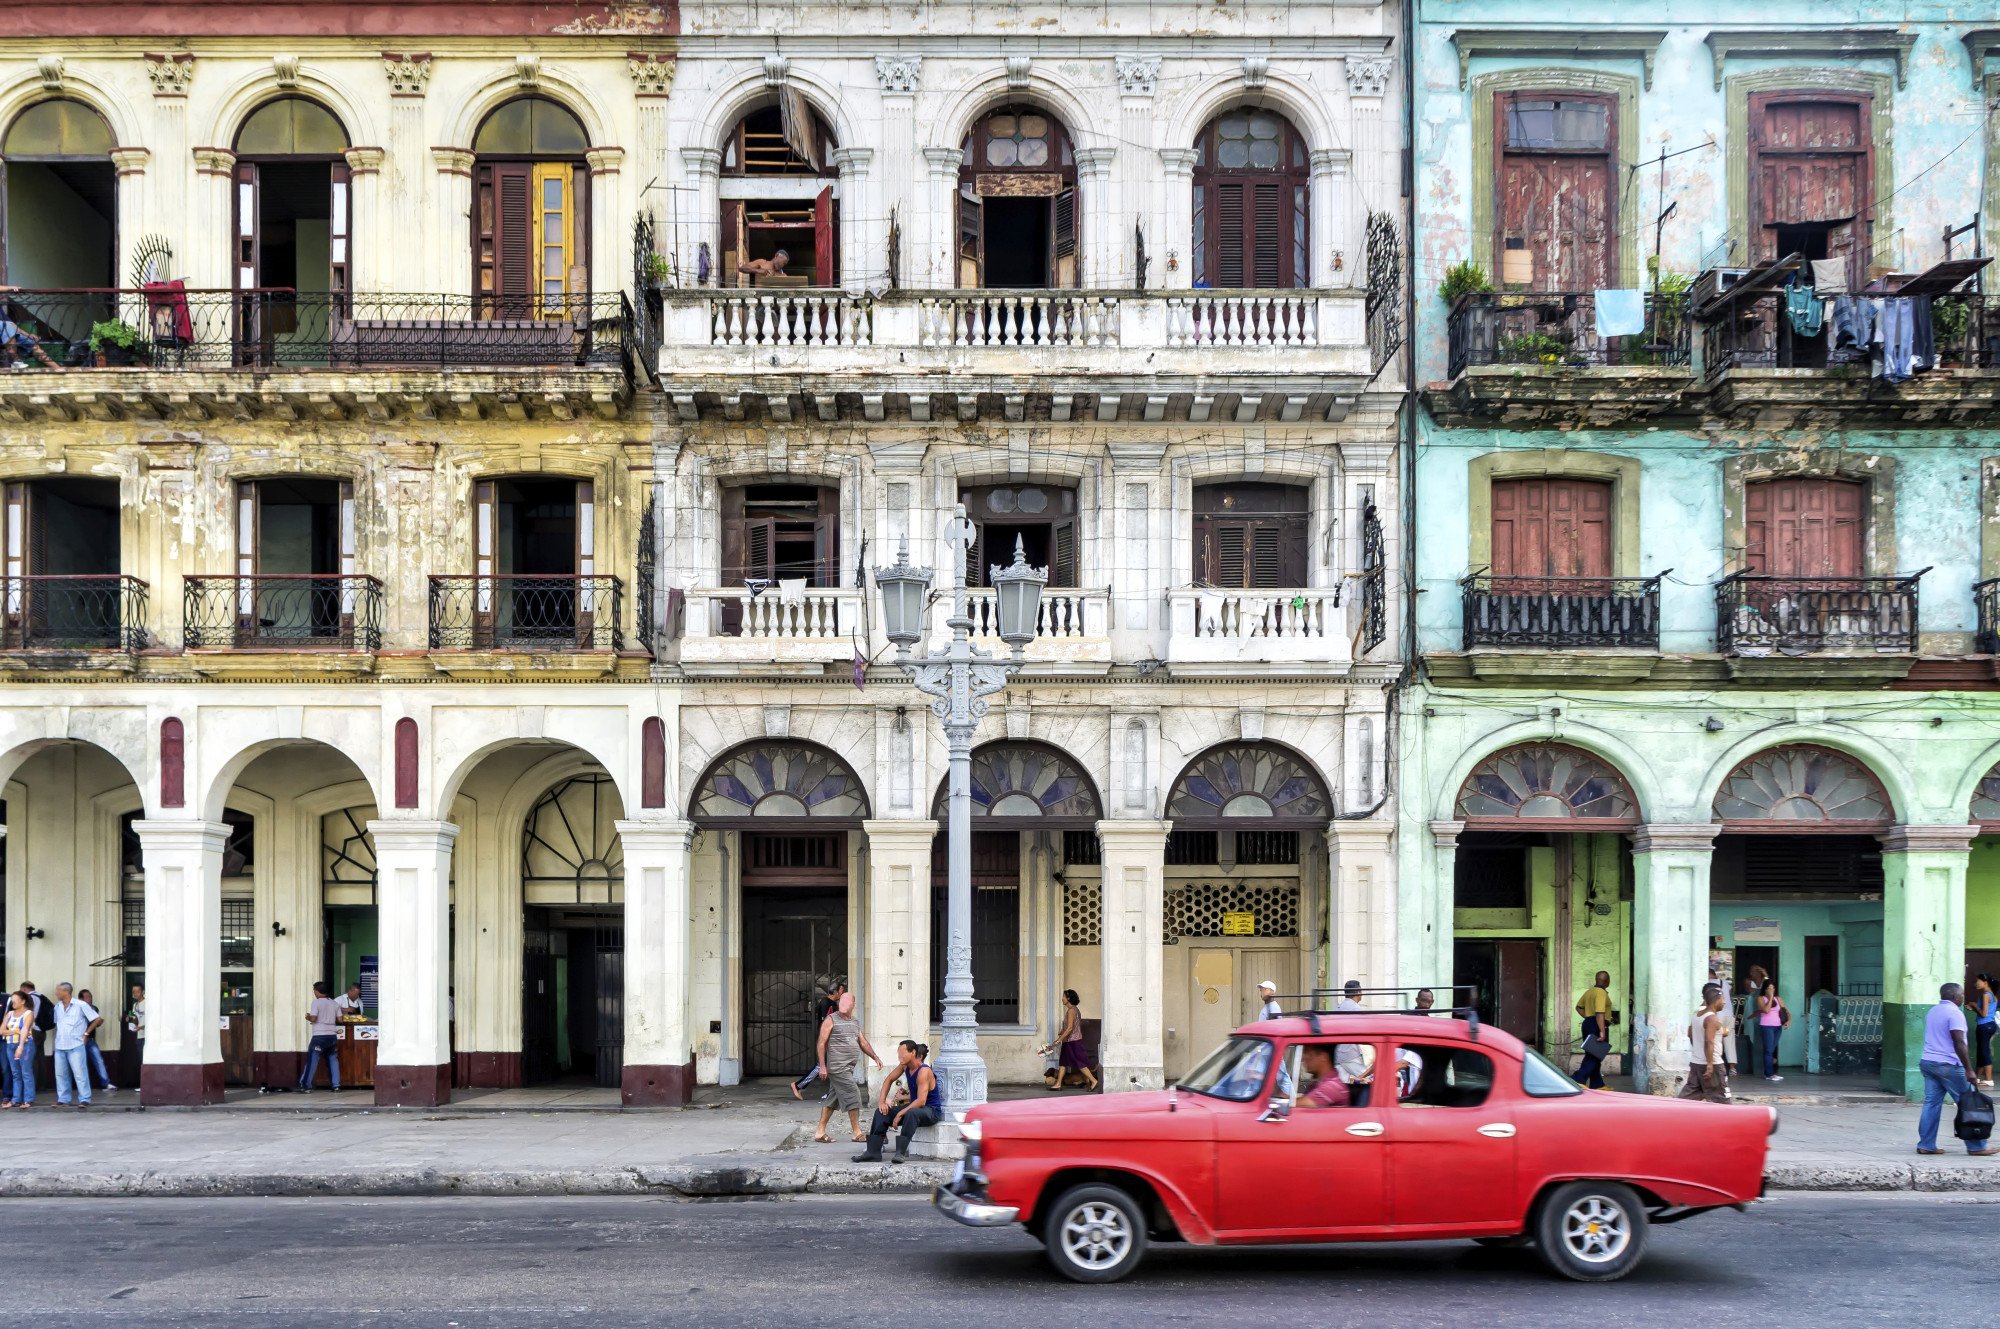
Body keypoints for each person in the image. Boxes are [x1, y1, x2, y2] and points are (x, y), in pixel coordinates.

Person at [1917, 982, 1992, 1157]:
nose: (1963, 997)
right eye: (1961, 995)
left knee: (1931, 1104)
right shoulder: (1955, 1013)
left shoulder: (1933, 1011)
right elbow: (1958, 1042)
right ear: (1955, 996)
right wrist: (1969, 1069)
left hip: (1928, 1062)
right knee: (1969, 1102)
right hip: (1949, 1065)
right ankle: (1977, 1146)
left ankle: (1926, 1144)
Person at [853, 1040, 943, 1164]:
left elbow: (921, 1101)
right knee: (881, 1112)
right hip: (915, 1108)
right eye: (898, 1054)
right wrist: (882, 1102)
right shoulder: (904, 1066)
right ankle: (873, 1152)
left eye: (902, 1054)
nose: (899, 1057)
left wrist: (900, 1114)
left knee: (912, 1113)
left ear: (913, 1053)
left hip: (931, 1111)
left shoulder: (924, 1071)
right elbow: (888, 1080)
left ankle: (900, 1153)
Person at [813, 992, 882, 1144]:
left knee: (832, 1099)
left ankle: (820, 1132)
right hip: (838, 1068)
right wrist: (822, 1066)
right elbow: (821, 1043)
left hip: (848, 1067)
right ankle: (857, 1133)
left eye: (847, 1001)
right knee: (853, 1094)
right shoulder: (831, 1020)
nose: (843, 1004)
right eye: (841, 1001)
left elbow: (862, 1042)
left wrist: (875, 1057)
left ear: (853, 1005)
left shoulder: (854, 1022)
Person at [791, 978, 845, 1101]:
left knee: (831, 1066)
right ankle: (798, 1085)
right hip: (828, 1040)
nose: (842, 993)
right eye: (841, 991)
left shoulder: (830, 1004)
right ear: (835, 992)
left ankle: (832, 1093)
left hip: (829, 1040)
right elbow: (826, 1023)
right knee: (821, 1066)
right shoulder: (827, 1004)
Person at [1677, 983, 1731, 1103]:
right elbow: (1709, 1042)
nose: (1724, 1002)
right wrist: (1710, 1065)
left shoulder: (1697, 1015)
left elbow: (1691, 1034)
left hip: (1696, 1063)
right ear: (1716, 1000)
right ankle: (1728, 1121)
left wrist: (1698, 1051)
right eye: (1723, 999)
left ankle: (1673, 1114)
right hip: (1713, 1064)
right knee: (1722, 1099)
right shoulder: (1711, 1018)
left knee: (1688, 1097)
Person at [50, 983, 96, 1108]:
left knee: (80, 1073)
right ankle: (64, 1099)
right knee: (60, 1074)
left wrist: (86, 1033)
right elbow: (57, 1024)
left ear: (66, 991)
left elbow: (96, 1019)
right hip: (60, 1045)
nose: (56, 993)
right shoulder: (57, 1007)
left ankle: (85, 1099)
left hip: (76, 1044)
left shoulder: (80, 1005)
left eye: (58, 990)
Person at [1042, 989, 1097, 1092]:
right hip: (1069, 1041)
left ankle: (1093, 1081)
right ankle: (1058, 1084)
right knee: (1063, 1062)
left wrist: (1059, 1039)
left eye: (1063, 996)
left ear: (1068, 998)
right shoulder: (1075, 1009)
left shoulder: (1071, 1010)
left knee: (1080, 1063)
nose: (1062, 998)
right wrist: (1062, 1034)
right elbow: (1072, 1026)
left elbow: (1070, 1028)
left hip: (1073, 1042)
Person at [298, 981, 341, 1093]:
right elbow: (340, 1020)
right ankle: (336, 1085)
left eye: (314, 990)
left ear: (317, 991)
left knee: (312, 1060)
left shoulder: (316, 1003)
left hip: (319, 1036)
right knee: (333, 1060)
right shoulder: (335, 1003)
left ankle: (306, 1086)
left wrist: (307, 1016)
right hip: (332, 1036)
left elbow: (313, 1019)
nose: (314, 993)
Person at [1574, 970, 1613, 1090]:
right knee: (1595, 1056)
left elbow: (1579, 1007)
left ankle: (1597, 1084)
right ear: (1607, 981)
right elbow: (1600, 1012)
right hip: (1597, 1024)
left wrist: (1588, 1017)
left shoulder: (1589, 992)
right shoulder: (1601, 993)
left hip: (1588, 1023)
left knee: (1592, 1054)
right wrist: (1602, 1031)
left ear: (1596, 980)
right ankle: (1577, 1078)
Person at [76, 989, 115, 1092]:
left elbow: (95, 1022)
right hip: (78, 1040)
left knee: (98, 1060)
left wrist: (98, 1022)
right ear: (81, 999)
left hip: (90, 1039)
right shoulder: (77, 1009)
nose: (90, 999)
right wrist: (98, 1021)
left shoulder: (94, 1008)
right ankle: (80, 1085)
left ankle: (105, 1083)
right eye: (87, 997)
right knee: (78, 1062)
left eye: (91, 997)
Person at [2, 991, 35, 1108]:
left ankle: (28, 1099)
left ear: (23, 1001)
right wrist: (15, 1031)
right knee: (15, 1073)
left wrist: (20, 1046)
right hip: (10, 1045)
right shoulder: (10, 1013)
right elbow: (1, 1031)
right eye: (12, 1000)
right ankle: (16, 1099)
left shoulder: (28, 1013)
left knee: (26, 1072)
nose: (12, 1002)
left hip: (25, 1045)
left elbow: (25, 1029)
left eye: (15, 1000)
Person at [1293, 1044, 1350, 1109]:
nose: (1303, 1059)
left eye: (1308, 1053)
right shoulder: (1317, 1084)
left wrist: (1282, 1102)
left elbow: (1303, 1104)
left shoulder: (1332, 1086)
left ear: (1323, 1057)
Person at [1755, 979, 1786, 1083]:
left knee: (1771, 1050)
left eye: (1773, 988)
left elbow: (1785, 1010)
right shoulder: (1760, 998)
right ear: (1765, 989)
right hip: (1767, 1026)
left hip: (1778, 1027)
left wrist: (1788, 1020)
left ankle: (1770, 1069)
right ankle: (1769, 1074)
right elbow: (1766, 1010)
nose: (1771, 990)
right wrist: (1771, 997)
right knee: (1768, 1050)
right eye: (1769, 988)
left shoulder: (1778, 999)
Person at [1971, 974, 1997, 1088]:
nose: (1976, 983)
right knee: (1982, 1051)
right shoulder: (1993, 995)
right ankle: (1976, 1077)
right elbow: (1986, 1013)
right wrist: (1974, 1008)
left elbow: (1984, 1014)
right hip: (1990, 1025)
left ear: (1985, 982)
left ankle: (1989, 1079)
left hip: (1984, 1026)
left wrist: (1974, 1005)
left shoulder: (1985, 995)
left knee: (1984, 1052)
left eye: (1978, 981)